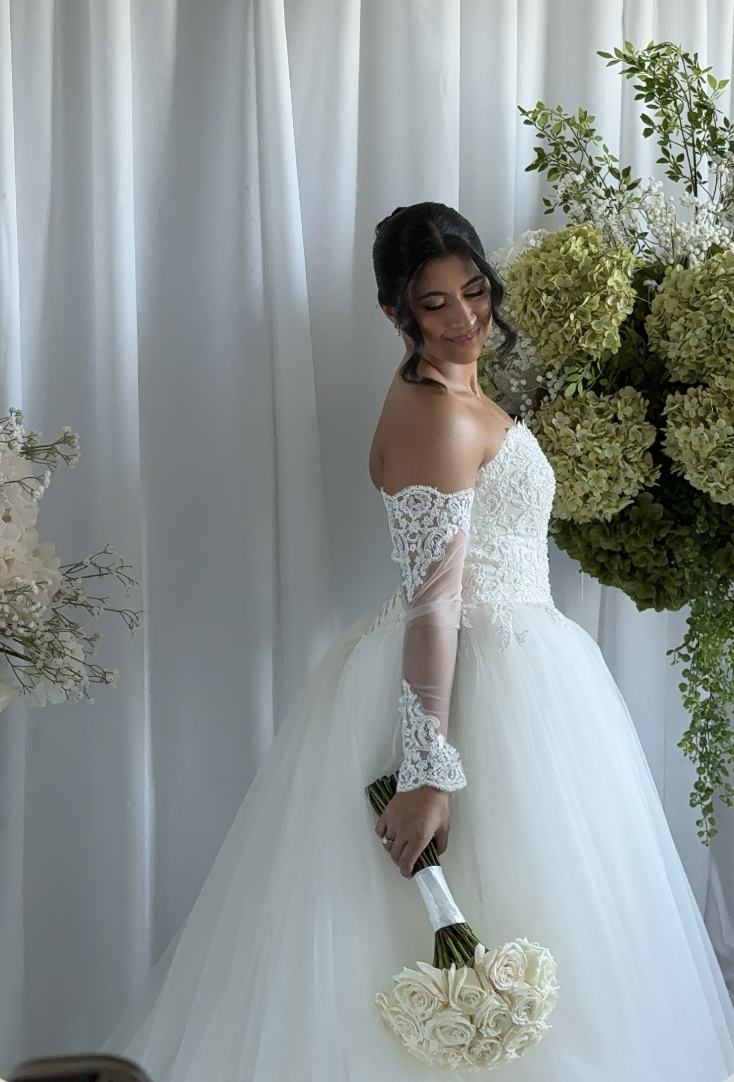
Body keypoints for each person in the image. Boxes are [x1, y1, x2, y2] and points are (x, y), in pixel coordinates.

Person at [103, 202, 734, 1081]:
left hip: (522, 666)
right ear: (395, 313)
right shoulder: (434, 409)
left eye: (474, 291)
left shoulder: (463, 389)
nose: (466, 317)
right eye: (435, 304)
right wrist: (428, 772)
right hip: (470, 688)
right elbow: (435, 608)